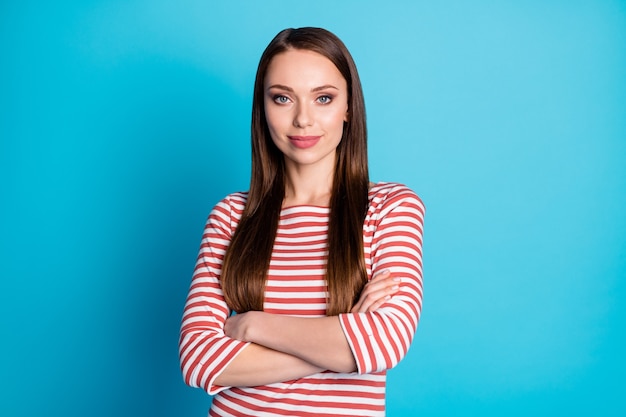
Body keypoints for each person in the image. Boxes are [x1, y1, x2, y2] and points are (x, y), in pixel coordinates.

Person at [179, 27, 425, 417]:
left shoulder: (390, 207)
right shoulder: (230, 216)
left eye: (323, 98)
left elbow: (386, 343)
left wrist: (254, 325)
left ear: (348, 107)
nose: (303, 119)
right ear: (262, 107)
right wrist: (343, 345)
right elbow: (198, 359)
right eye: (282, 98)